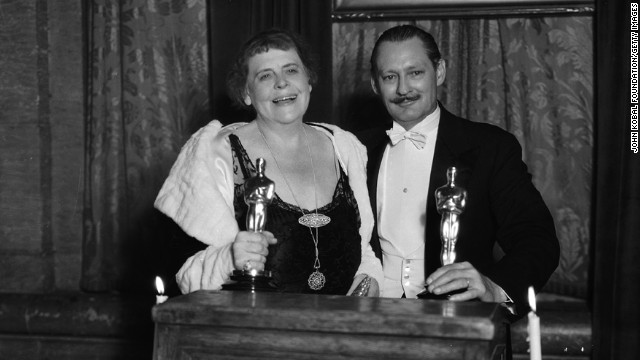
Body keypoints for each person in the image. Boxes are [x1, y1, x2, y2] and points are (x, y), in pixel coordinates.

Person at [155, 28, 382, 296]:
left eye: (291, 70)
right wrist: (230, 258)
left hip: (340, 330)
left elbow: (363, 247)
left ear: (308, 81)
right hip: (256, 332)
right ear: (246, 92)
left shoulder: (344, 147)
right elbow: (184, 274)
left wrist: (370, 281)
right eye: (265, 75)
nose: (282, 83)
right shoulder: (215, 154)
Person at [358, 24, 559, 316]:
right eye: (390, 77)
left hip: (458, 325)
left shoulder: (490, 147)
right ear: (376, 84)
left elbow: (537, 239)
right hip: (369, 324)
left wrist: (494, 288)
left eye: (415, 73)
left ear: (439, 71)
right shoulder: (353, 150)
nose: (403, 89)